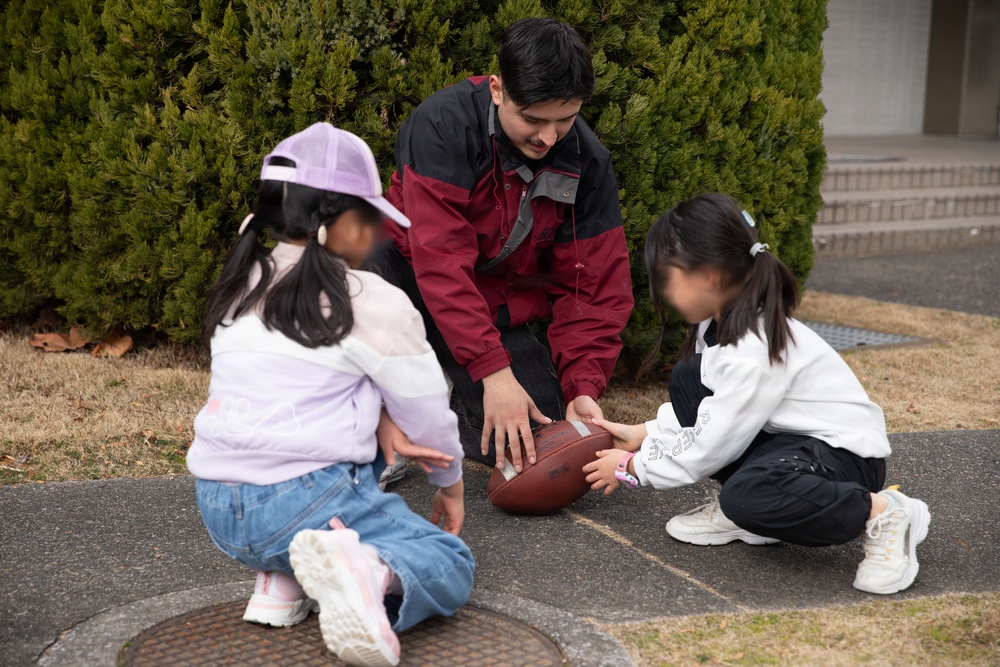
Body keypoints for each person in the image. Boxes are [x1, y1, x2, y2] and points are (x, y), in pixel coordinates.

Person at [186, 123, 475, 667]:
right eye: (368, 219)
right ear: (335, 223)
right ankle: (366, 572)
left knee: (324, 440)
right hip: (302, 500)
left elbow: (290, 390)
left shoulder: (240, 282)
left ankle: (283, 580)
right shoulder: (368, 298)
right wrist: (451, 486)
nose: (374, 236)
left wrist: (381, 418)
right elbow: (429, 411)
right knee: (448, 562)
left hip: (218, 507)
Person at [583, 193, 931, 595]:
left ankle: (887, 512)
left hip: (843, 459)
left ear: (709, 277)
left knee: (747, 496)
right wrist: (645, 432)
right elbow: (718, 407)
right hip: (793, 444)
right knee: (689, 378)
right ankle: (750, 513)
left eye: (667, 277)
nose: (660, 290)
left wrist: (633, 467)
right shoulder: (715, 326)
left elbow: (713, 443)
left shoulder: (751, 348)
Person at [372, 18, 634, 475]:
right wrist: (493, 371)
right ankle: (375, 428)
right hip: (403, 273)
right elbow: (441, 262)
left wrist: (583, 388)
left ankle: (438, 410)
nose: (549, 138)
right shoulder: (440, 125)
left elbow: (591, 289)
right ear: (497, 89)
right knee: (358, 267)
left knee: (539, 434)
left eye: (566, 119)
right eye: (533, 119)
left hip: (488, 304)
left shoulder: (588, 162)